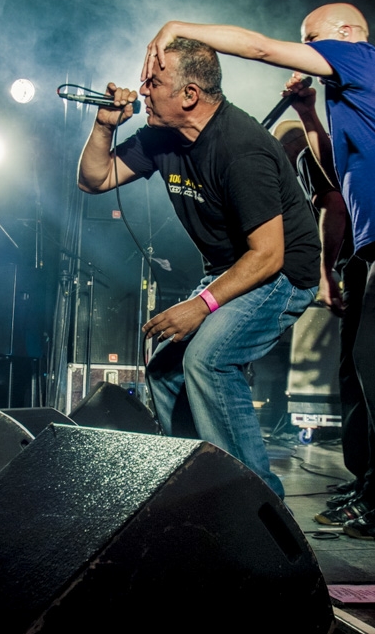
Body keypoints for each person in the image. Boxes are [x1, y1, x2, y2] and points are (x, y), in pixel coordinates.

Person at [144, 4, 375, 537]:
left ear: (344, 34)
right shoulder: (348, 96)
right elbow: (333, 172)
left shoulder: (363, 59)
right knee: (357, 366)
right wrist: (310, 114)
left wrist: (179, 28)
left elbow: (261, 48)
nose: (308, 51)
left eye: (312, 40)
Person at [77, 37, 321, 497]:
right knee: (166, 370)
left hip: (282, 274)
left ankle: (258, 504)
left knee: (209, 360)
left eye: (154, 82)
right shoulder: (161, 136)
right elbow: (95, 178)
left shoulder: (241, 148)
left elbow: (269, 255)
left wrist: (200, 305)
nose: (142, 90)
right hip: (234, 269)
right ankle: (201, 489)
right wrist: (104, 127)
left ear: (189, 94)